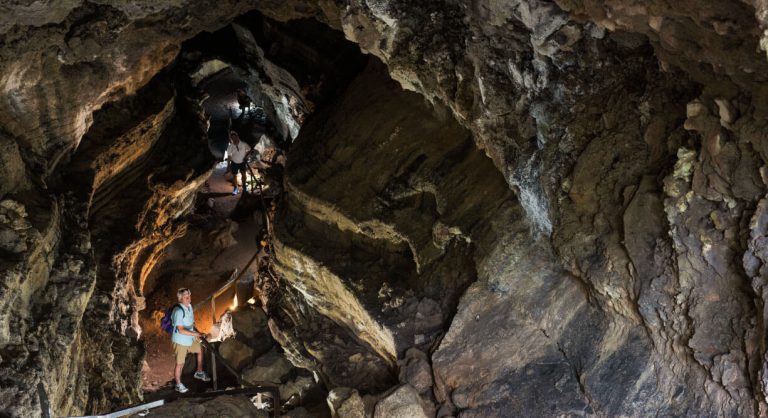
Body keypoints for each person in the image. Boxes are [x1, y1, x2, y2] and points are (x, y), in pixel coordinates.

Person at [171, 287, 210, 393]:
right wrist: (196, 333)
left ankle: (199, 371)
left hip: (190, 338)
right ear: (180, 299)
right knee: (180, 364)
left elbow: (191, 322)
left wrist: (195, 333)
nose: (189, 299)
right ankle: (178, 384)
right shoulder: (178, 311)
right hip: (180, 341)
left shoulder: (189, 307)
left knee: (199, 350)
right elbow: (181, 330)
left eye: (189, 296)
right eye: (186, 297)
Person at [226, 131, 252, 195]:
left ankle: (244, 187)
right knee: (234, 176)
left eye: (235, 137)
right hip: (234, 163)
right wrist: (228, 165)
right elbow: (229, 156)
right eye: (232, 138)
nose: (234, 139)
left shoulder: (243, 144)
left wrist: (246, 157)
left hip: (242, 162)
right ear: (231, 139)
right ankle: (235, 189)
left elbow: (250, 150)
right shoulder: (230, 146)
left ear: (237, 137)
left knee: (244, 175)